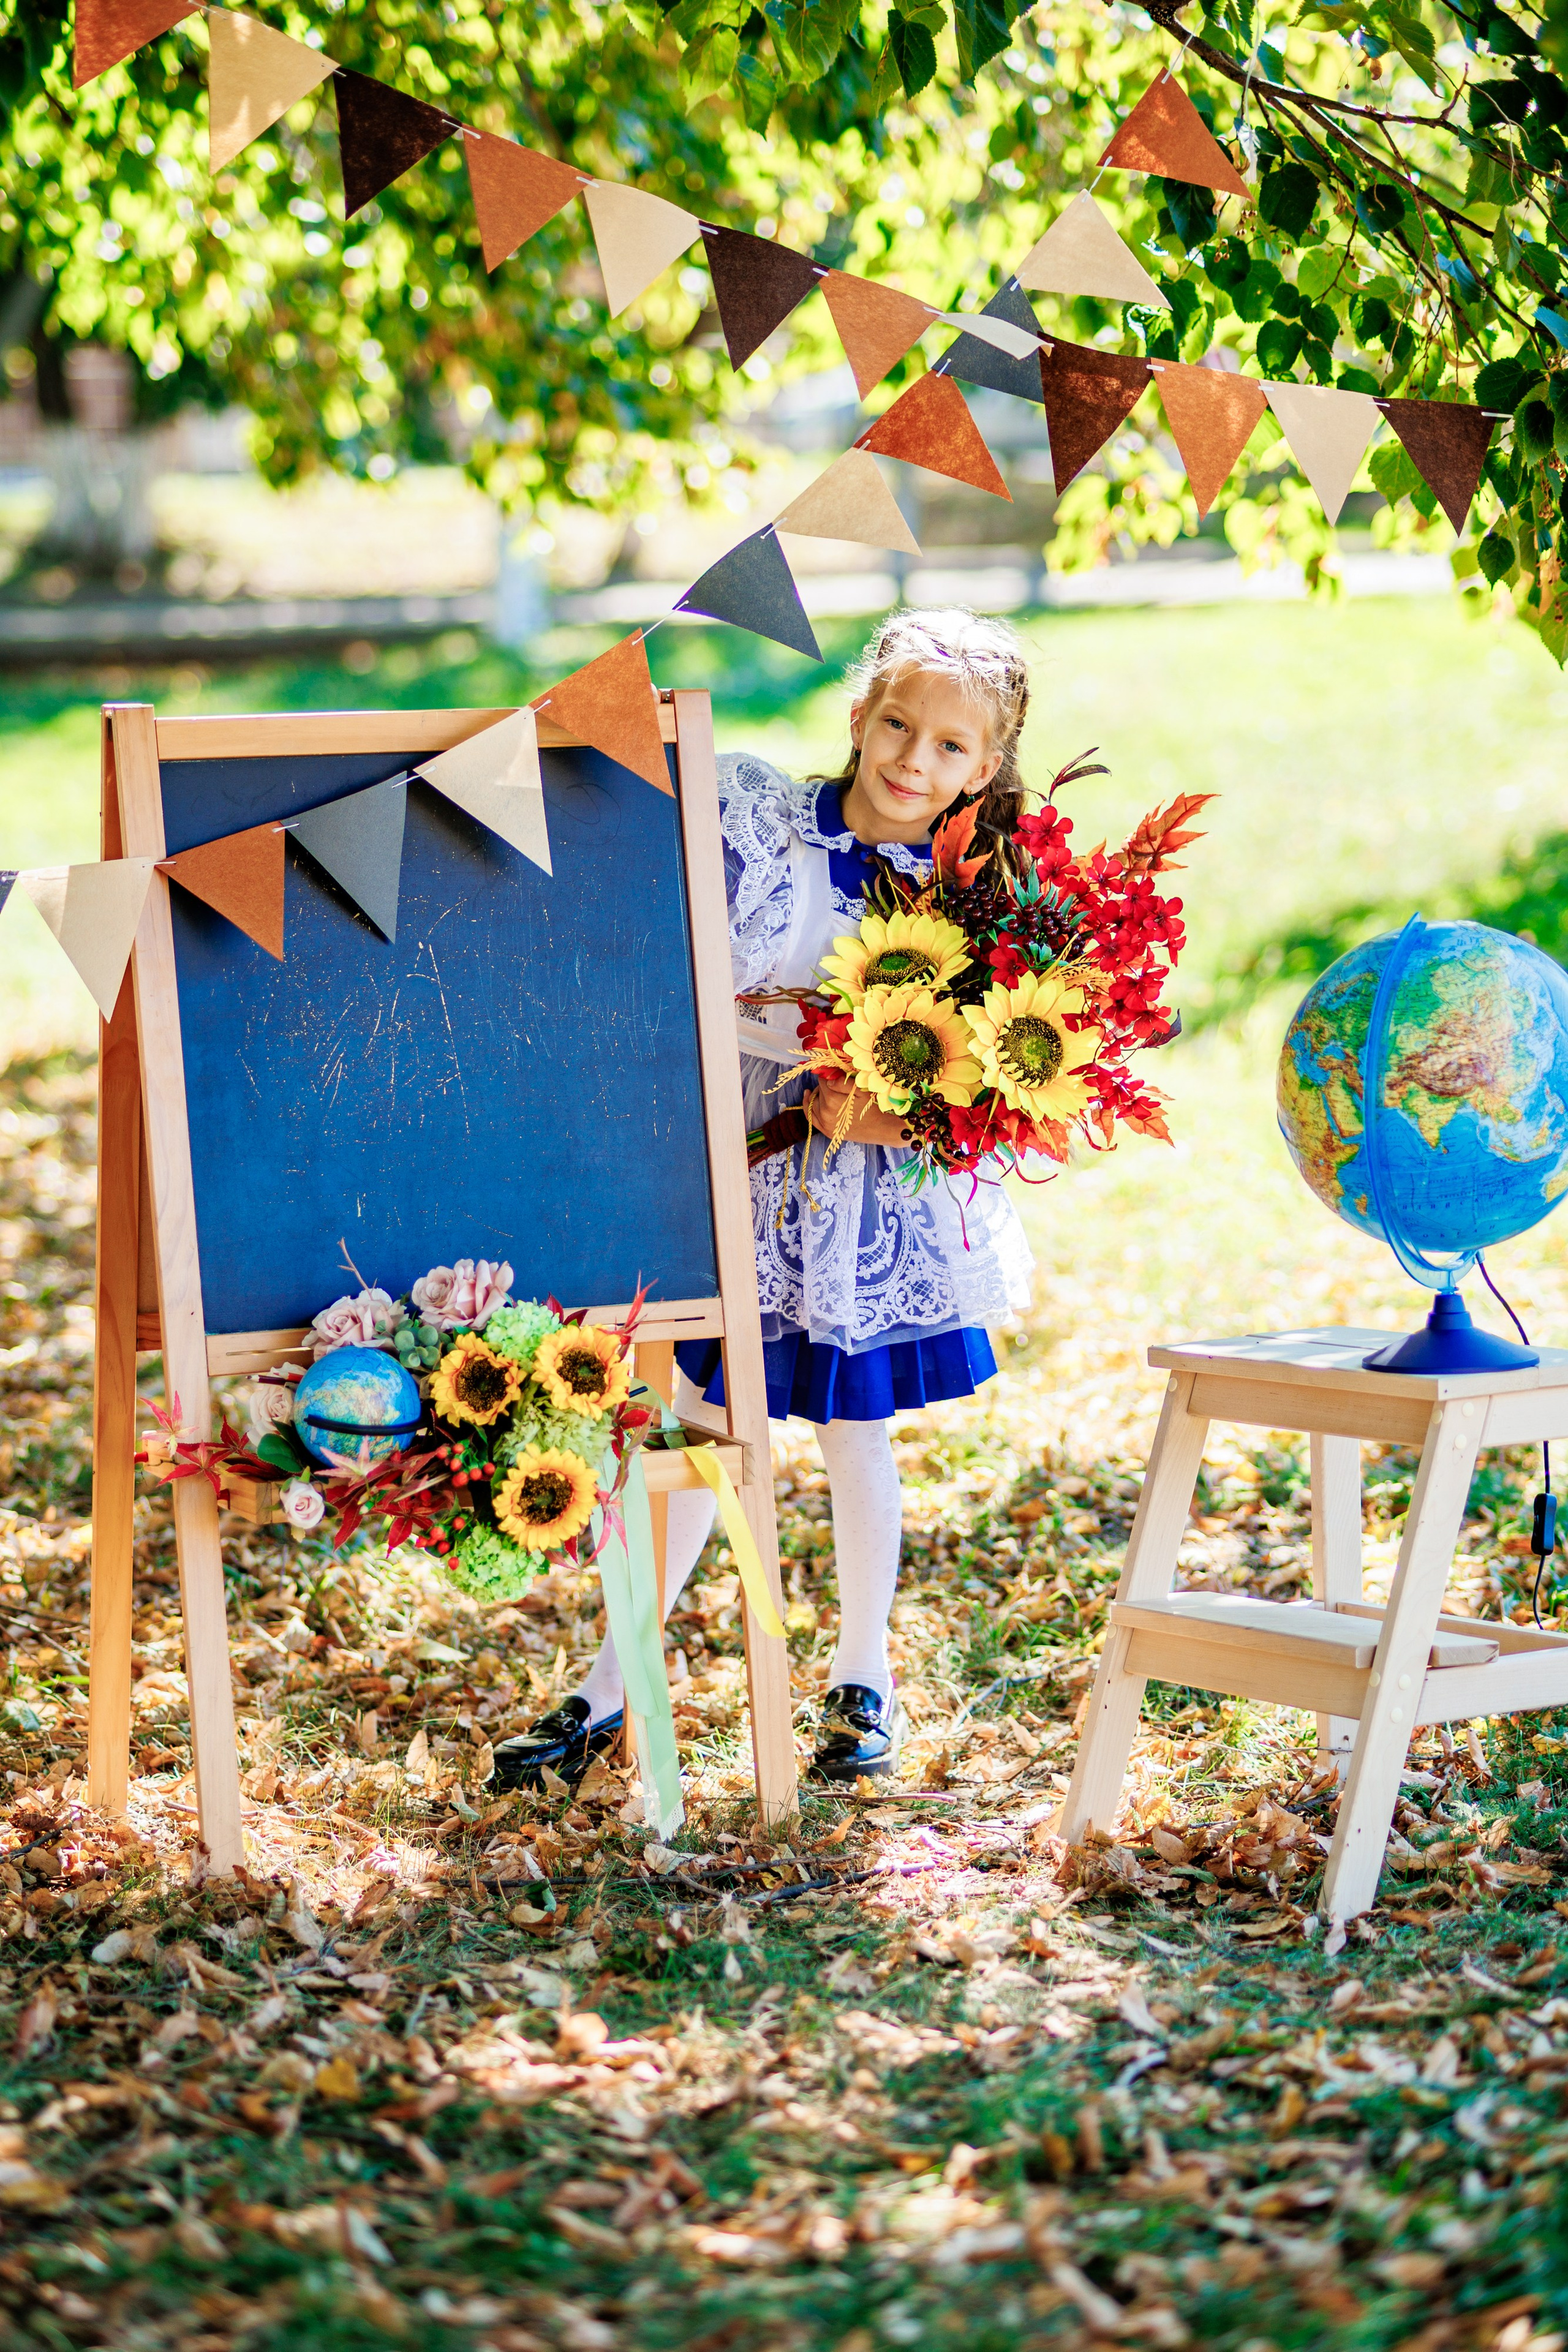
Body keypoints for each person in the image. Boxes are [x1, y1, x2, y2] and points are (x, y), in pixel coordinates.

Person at [496, 608, 1035, 1790]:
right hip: (726, 1160)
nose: (913, 760)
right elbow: (634, 918)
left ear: (982, 768)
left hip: (861, 1194)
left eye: (950, 747)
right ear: (858, 714)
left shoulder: (982, 899)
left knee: (855, 1427)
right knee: (693, 1424)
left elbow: (996, 1081)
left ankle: (862, 1675)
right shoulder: (757, 822)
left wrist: (884, 1109)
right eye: (897, 724)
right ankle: (610, 1682)